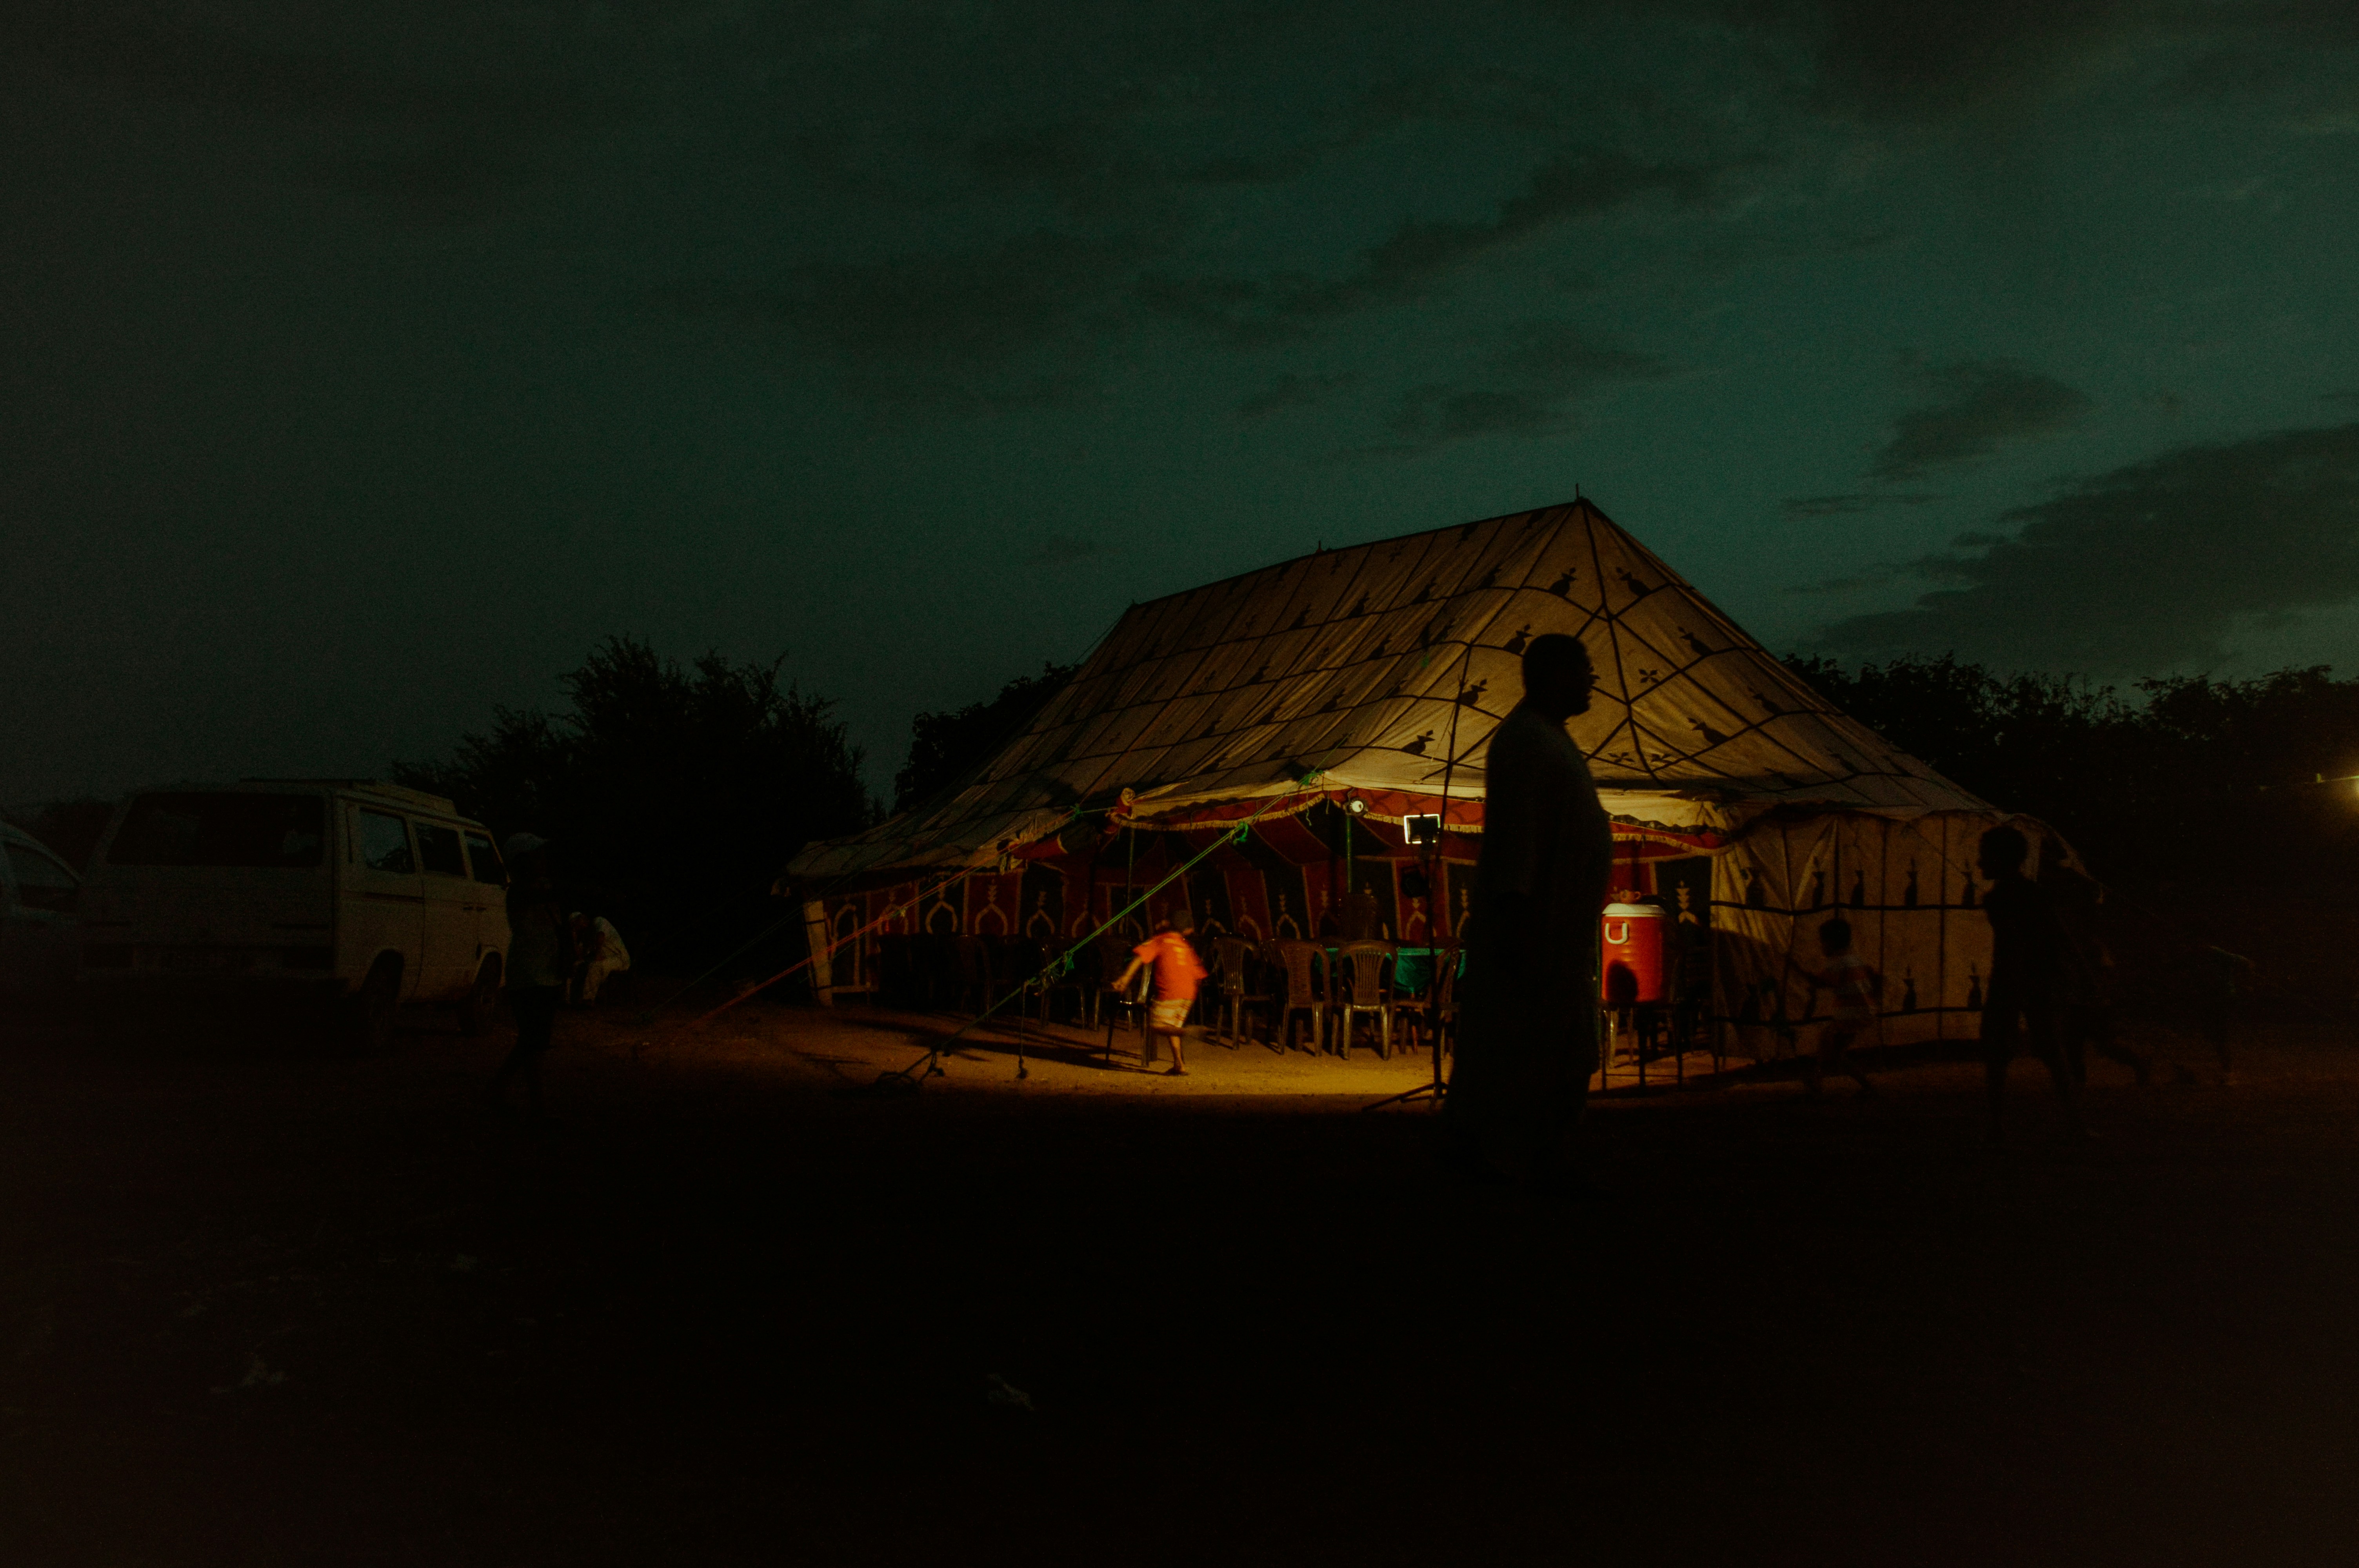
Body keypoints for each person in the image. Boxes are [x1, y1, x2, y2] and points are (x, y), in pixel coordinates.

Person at [1446, 633, 1614, 1183]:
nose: (1592, 680)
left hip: (1556, 937)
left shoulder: (1548, 739)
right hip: (1533, 936)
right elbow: (1518, 841)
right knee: (1523, 1062)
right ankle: (1506, 1172)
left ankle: (1531, 1162)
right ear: (1552, 675)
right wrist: (1520, 932)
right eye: (1583, 668)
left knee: (1557, 1058)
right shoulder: (1527, 742)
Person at [1977, 824, 2088, 1143]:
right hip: (2038, 980)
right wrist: (2080, 971)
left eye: (1985, 857)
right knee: (2054, 1054)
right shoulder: (2035, 895)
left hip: (2012, 982)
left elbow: (2016, 944)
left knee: (1999, 1058)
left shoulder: (1997, 899)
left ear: (2001, 859)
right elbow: (2059, 934)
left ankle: (1997, 1127)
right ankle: (2076, 1125)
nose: (1980, 864)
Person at [2045, 863, 2152, 1087]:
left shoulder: (2090, 943)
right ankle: (2077, 1081)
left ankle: (2139, 1062)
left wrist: (2101, 994)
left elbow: (2105, 970)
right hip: (2080, 997)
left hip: (2092, 999)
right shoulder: (2080, 939)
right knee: (2075, 1042)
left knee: (2103, 1044)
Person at [489, 833, 572, 1121]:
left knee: (534, 1039)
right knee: (534, 1039)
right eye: (537, 856)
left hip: (545, 970)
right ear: (522, 862)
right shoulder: (519, 892)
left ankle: (503, 1092)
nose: (544, 860)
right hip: (527, 973)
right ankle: (538, 1105)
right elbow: (550, 898)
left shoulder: (544, 887)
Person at [1111, 908, 1207, 1076]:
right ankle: (1179, 1065)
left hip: (1172, 991)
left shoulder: (1161, 940)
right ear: (1187, 930)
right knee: (1171, 1026)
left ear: (1168, 924)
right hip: (1189, 992)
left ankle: (1187, 1032)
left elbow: (1140, 958)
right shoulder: (1185, 946)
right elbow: (1199, 974)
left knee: (1157, 1025)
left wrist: (1125, 979)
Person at [1803, 916, 1879, 1096]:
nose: (1822, 947)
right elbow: (1873, 978)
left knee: (1835, 1053)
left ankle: (1866, 1085)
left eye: (1823, 943)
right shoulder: (1854, 959)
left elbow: (1823, 982)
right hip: (1863, 1012)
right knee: (1828, 1043)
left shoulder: (1837, 962)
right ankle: (1817, 1080)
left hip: (1850, 1015)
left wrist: (1798, 970)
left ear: (1830, 943)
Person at [2194, 935, 2257, 1087]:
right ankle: (2225, 1069)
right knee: (2212, 1035)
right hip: (2211, 1000)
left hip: (2224, 999)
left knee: (2220, 1036)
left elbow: (2246, 962)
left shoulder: (2216, 953)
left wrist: (2245, 983)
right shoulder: (2198, 956)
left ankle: (2228, 1073)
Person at [569, 911, 631, 1004]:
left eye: (577, 923)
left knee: (595, 966)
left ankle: (588, 1000)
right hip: (605, 959)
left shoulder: (599, 921)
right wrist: (574, 938)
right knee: (577, 965)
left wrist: (597, 954)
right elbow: (580, 957)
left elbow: (601, 935)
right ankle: (571, 998)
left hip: (619, 958)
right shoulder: (586, 935)